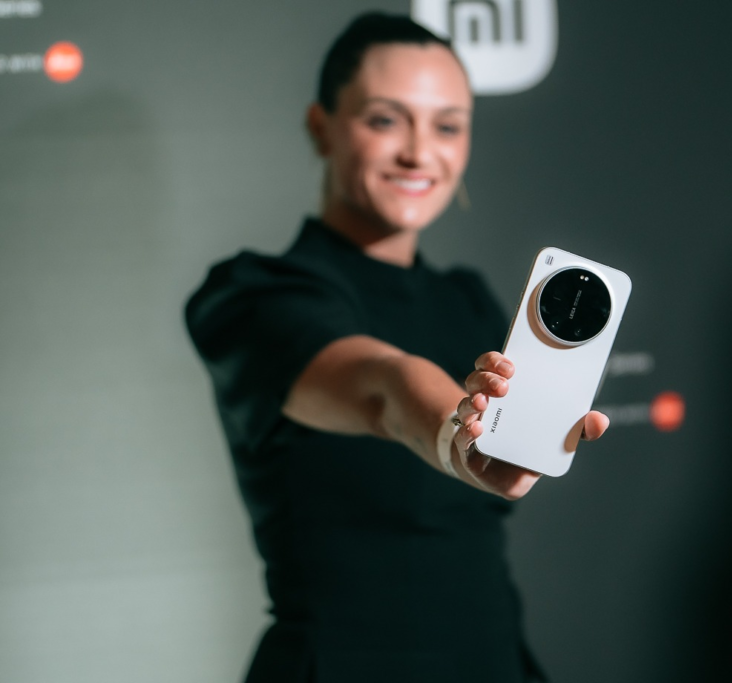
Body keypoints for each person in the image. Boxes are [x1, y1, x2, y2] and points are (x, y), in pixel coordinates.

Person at [185, 12, 609, 683]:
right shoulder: (252, 298)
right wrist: (456, 439)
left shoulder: (470, 300)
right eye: (386, 120)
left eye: (447, 126)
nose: (419, 152)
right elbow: (383, 386)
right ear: (321, 126)